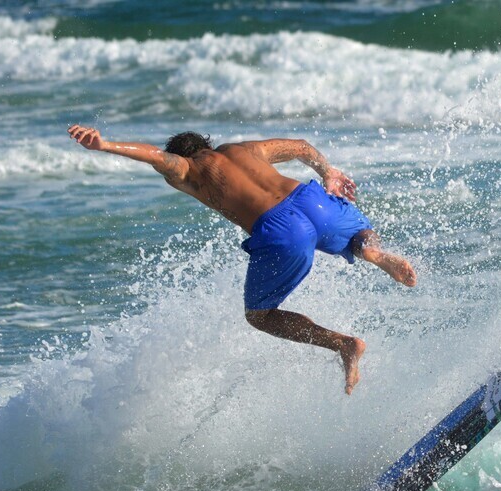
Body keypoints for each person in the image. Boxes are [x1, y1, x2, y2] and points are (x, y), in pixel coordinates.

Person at [67, 125, 416, 394]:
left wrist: (105, 145)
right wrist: (328, 172)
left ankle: (343, 344)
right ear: (206, 143)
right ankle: (371, 252)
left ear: (186, 156)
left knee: (260, 315)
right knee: (362, 232)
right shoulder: (243, 149)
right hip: (311, 199)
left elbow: (156, 157)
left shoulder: (189, 170)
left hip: (280, 230)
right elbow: (300, 147)